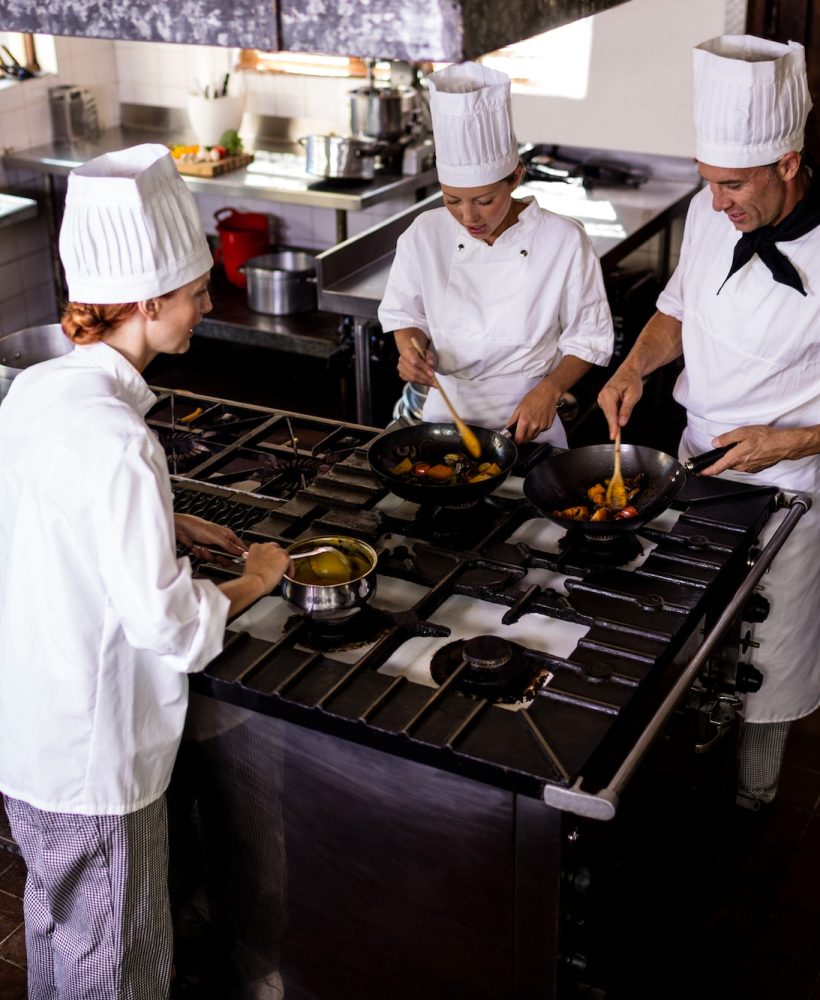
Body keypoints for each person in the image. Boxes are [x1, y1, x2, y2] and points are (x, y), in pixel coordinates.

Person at [0, 143, 292, 999]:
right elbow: (168, 625)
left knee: (59, 934)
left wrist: (162, 519)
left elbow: (49, 512)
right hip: (99, 759)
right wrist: (259, 577)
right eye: (197, 290)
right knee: (115, 973)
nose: (207, 304)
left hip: (29, 733)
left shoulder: (40, 393)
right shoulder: (124, 440)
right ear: (150, 300)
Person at [597, 35, 820, 809]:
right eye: (709, 184)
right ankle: (680, 798)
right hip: (697, 468)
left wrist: (792, 440)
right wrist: (632, 367)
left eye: (733, 185)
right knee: (690, 648)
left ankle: (754, 804)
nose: (718, 204)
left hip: (790, 489)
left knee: (768, 660)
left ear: (788, 163)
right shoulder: (706, 212)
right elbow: (677, 311)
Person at [378, 62, 614, 446]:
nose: (468, 217)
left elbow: (588, 336)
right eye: (452, 199)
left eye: (485, 200)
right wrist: (411, 349)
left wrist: (551, 389)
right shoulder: (425, 232)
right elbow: (404, 313)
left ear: (516, 177)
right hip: (443, 413)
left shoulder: (563, 239)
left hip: (526, 413)